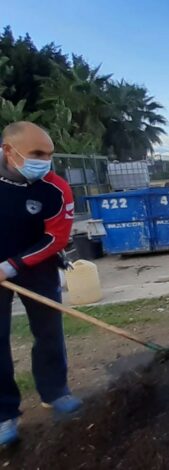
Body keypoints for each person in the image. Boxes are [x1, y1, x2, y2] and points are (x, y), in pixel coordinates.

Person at [0, 122, 82, 446]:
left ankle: (55, 391)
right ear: (9, 151)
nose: (45, 161)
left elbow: (56, 237)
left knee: (49, 331)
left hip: (38, 265)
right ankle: (4, 414)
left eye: (49, 154)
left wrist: (12, 266)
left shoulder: (56, 187)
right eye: (37, 154)